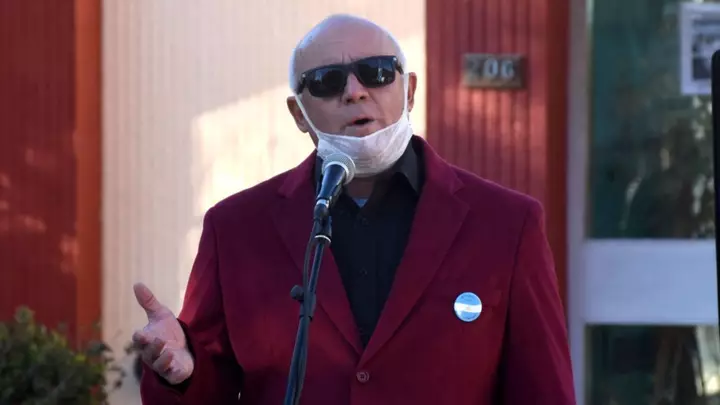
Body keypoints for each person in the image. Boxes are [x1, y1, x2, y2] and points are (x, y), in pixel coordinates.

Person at [133, 14, 576, 405]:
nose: (355, 92)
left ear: (410, 90)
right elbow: (209, 390)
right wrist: (182, 374)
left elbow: (544, 391)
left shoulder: (506, 224)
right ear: (299, 114)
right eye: (327, 81)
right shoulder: (235, 229)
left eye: (377, 72)